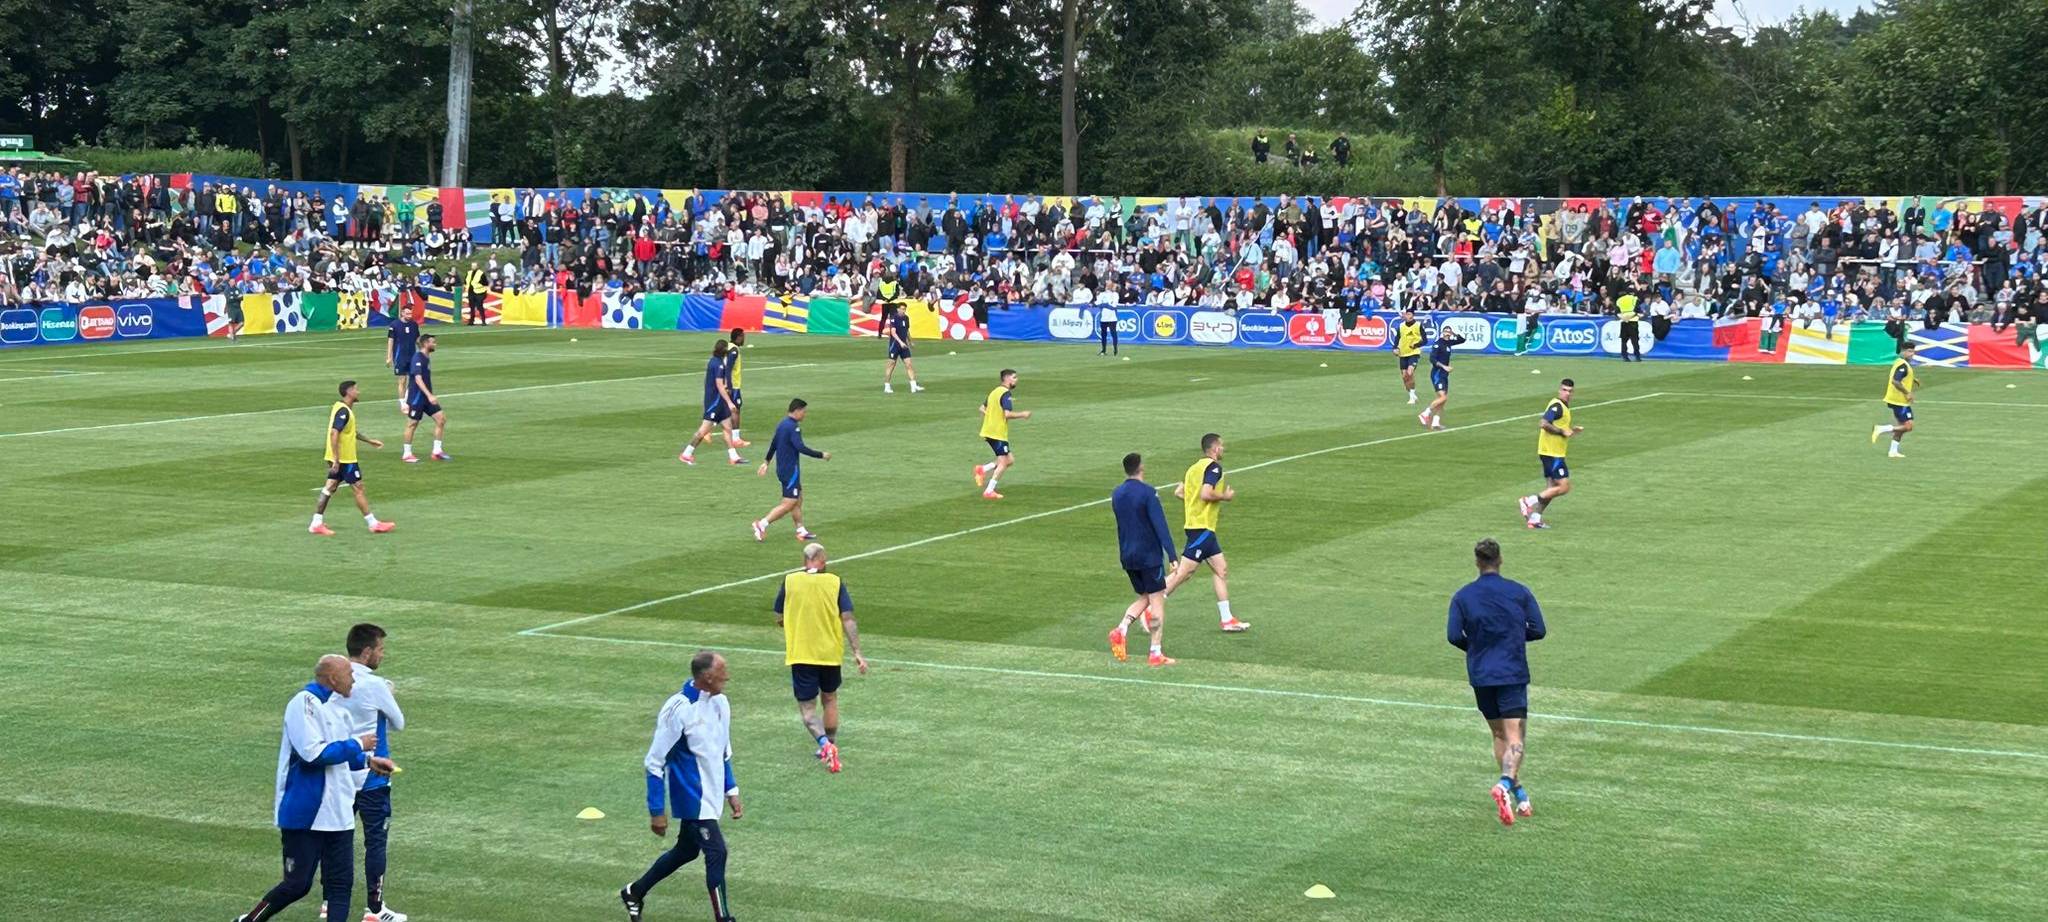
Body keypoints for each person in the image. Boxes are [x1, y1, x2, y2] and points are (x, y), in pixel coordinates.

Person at [231, 655, 396, 922]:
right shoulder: (302, 704)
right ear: (332, 678)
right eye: (348, 674)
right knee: (297, 884)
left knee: (340, 887)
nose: (354, 678)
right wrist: (357, 744)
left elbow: (341, 753)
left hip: (339, 813)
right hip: (307, 813)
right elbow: (313, 755)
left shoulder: (338, 709)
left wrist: (368, 760)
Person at [621, 651, 740, 922]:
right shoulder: (679, 708)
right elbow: (654, 761)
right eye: (723, 672)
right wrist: (656, 809)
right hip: (691, 797)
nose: (728, 677)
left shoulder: (722, 703)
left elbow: (723, 751)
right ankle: (723, 918)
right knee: (717, 851)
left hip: (711, 795)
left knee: (686, 851)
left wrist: (731, 790)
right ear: (707, 677)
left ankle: (634, 892)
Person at [1446, 538, 1545, 827]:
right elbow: (1538, 629)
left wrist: (1478, 647)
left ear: (1477, 562)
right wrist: (1512, 639)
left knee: (1499, 735)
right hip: (1511, 671)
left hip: (1481, 674)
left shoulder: (1463, 596)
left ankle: (1519, 792)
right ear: (1500, 560)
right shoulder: (1518, 591)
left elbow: (1454, 636)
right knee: (1516, 736)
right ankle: (1504, 784)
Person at [773, 543, 868, 772]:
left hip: (802, 654)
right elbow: (848, 619)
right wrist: (857, 652)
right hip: (830, 654)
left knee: (807, 710)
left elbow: (778, 615)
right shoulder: (835, 582)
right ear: (822, 561)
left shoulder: (790, 581)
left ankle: (824, 744)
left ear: (805, 561)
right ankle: (831, 742)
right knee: (830, 699)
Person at [339, 624, 407, 922]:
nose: (382, 654)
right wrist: (388, 693)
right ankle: (375, 909)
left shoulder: (333, 679)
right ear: (367, 652)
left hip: (339, 772)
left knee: (336, 839)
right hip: (372, 775)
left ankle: (331, 900)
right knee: (375, 842)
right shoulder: (375, 684)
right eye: (380, 649)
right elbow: (398, 723)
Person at [1166, 433, 1250, 633]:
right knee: (1183, 573)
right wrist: (1225, 497)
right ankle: (1151, 606)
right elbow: (1205, 493)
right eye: (1221, 445)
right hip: (1201, 528)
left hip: (1202, 527)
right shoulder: (1213, 468)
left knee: (1221, 569)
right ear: (1214, 448)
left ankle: (1227, 619)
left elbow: (1180, 492)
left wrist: (1195, 504)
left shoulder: (1193, 469)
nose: (1223, 449)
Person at [1108, 452, 1177, 667]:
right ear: (1141, 468)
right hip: (1148, 555)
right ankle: (1155, 652)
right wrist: (1173, 555)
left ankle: (1121, 629)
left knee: (1145, 596)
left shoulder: (1117, 493)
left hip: (1128, 555)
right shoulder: (1148, 492)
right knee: (1157, 599)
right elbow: (1160, 524)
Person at [311, 380, 395, 535]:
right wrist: (336, 459)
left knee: (330, 487)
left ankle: (316, 523)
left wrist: (369, 441)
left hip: (341, 457)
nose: (358, 392)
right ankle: (373, 523)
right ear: (348, 392)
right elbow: (334, 433)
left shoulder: (341, 408)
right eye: (356, 389)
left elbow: (349, 432)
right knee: (358, 487)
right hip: (344, 459)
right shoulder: (343, 411)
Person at [753, 398, 829, 542]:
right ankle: (761, 524)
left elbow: (774, 443)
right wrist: (821, 455)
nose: (805, 415)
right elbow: (800, 447)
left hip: (783, 469)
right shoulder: (793, 427)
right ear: (797, 410)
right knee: (788, 503)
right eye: (804, 412)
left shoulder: (782, 424)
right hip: (790, 470)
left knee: (798, 499)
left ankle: (800, 530)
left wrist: (766, 462)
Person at [1518, 379, 1583, 530]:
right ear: (1559, 390)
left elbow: (1560, 429)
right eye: (1564, 390)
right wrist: (1562, 431)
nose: (1567, 393)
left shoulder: (1563, 407)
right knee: (1564, 487)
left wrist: (1570, 431)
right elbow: (1543, 423)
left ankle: (1535, 519)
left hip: (1552, 451)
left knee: (1551, 489)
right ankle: (1528, 501)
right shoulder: (1557, 406)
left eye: (1570, 391)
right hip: (1552, 453)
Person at [680, 339, 747, 466]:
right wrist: (730, 402)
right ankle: (686, 454)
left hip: (718, 401)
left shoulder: (716, 362)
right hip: (714, 402)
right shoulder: (718, 365)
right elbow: (719, 386)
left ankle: (734, 456)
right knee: (703, 431)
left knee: (728, 428)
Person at [971, 368, 1028, 500]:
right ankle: (989, 490)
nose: (1016, 380)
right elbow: (1007, 414)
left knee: (1010, 460)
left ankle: (982, 469)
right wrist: (1023, 414)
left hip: (989, 430)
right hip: (997, 433)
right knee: (1003, 462)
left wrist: (992, 417)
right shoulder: (1005, 393)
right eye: (1014, 377)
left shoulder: (994, 391)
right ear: (1007, 379)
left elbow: (981, 408)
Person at [400, 335, 449, 463]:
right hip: (417, 397)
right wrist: (429, 395)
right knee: (412, 424)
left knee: (441, 418)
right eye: (433, 342)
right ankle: (406, 454)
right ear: (425, 344)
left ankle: (437, 451)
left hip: (425, 398)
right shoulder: (418, 358)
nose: (435, 344)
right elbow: (417, 378)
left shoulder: (426, 357)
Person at [1871, 340, 1918, 458]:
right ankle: (1882, 428)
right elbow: (1895, 381)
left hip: (1896, 399)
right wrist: (1907, 393)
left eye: (1913, 351)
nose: (1912, 354)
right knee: (1908, 426)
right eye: (1909, 351)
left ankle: (1893, 451)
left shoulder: (1900, 362)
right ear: (1903, 351)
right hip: (1899, 400)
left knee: (1901, 426)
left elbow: (1901, 376)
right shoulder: (1902, 365)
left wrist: (1913, 379)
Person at [1420, 326, 1468, 430]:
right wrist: (1444, 366)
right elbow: (1432, 359)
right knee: (1443, 397)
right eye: (1445, 331)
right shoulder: (1438, 344)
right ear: (1442, 332)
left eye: (1449, 331)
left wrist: (1454, 334)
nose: (1447, 333)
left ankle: (1436, 422)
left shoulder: (1449, 342)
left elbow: (1462, 340)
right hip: (1437, 373)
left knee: (1442, 400)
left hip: (1444, 374)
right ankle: (1425, 413)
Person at [385, 304, 420, 412]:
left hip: (412, 356)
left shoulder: (414, 324)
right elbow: (390, 341)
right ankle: (402, 403)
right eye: (407, 313)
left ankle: (407, 400)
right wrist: (389, 357)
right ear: (402, 313)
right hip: (400, 356)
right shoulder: (394, 325)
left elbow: (417, 339)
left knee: (414, 379)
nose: (410, 315)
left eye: (410, 313)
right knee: (402, 380)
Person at [882, 304, 923, 394]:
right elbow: (893, 332)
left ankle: (913, 386)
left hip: (904, 345)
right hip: (895, 345)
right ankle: (887, 386)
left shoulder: (906, 318)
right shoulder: (894, 318)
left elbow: (907, 331)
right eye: (902, 309)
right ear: (898, 309)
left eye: (905, 309)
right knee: (891, 365)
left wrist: (910, 341)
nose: (904, 311)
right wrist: (900, 342)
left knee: (909, 364)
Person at [1394, 307, 1425, 404]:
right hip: (1403, 353)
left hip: (1414, 353)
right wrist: (1395, 348)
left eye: (1410, 314)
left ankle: (1412, 396)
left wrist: (1415, 345)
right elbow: (1397, 338)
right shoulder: (1401, 326)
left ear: (1413, 315)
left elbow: (1425, 340)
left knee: (1410, 372)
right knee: (1404, 377)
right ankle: (1412, 395)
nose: (1408, 316)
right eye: (1407, 314)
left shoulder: (1418, 325)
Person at [724, 327, 748, 444]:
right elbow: (728, 368)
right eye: (743, 337)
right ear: (738, 337)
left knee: (723, 409)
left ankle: (707, 431)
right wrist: (729, 386)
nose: (744, 339)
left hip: (728, 384)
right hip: (733, 385)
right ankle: (736, 438)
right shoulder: (734, 350)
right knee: (736, 410)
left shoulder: (728, 347)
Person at [1617, 287, 1643, 362]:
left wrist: (1624, 317)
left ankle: (1624, 356)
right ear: (1632, 293)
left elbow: (1617, 311)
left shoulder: (1619, 300)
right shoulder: (1634, 299)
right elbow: (1637, 310)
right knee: (1635, 340)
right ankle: (1637, 356)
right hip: (1633, 321)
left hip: (1624, 321)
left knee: (1624, 340)